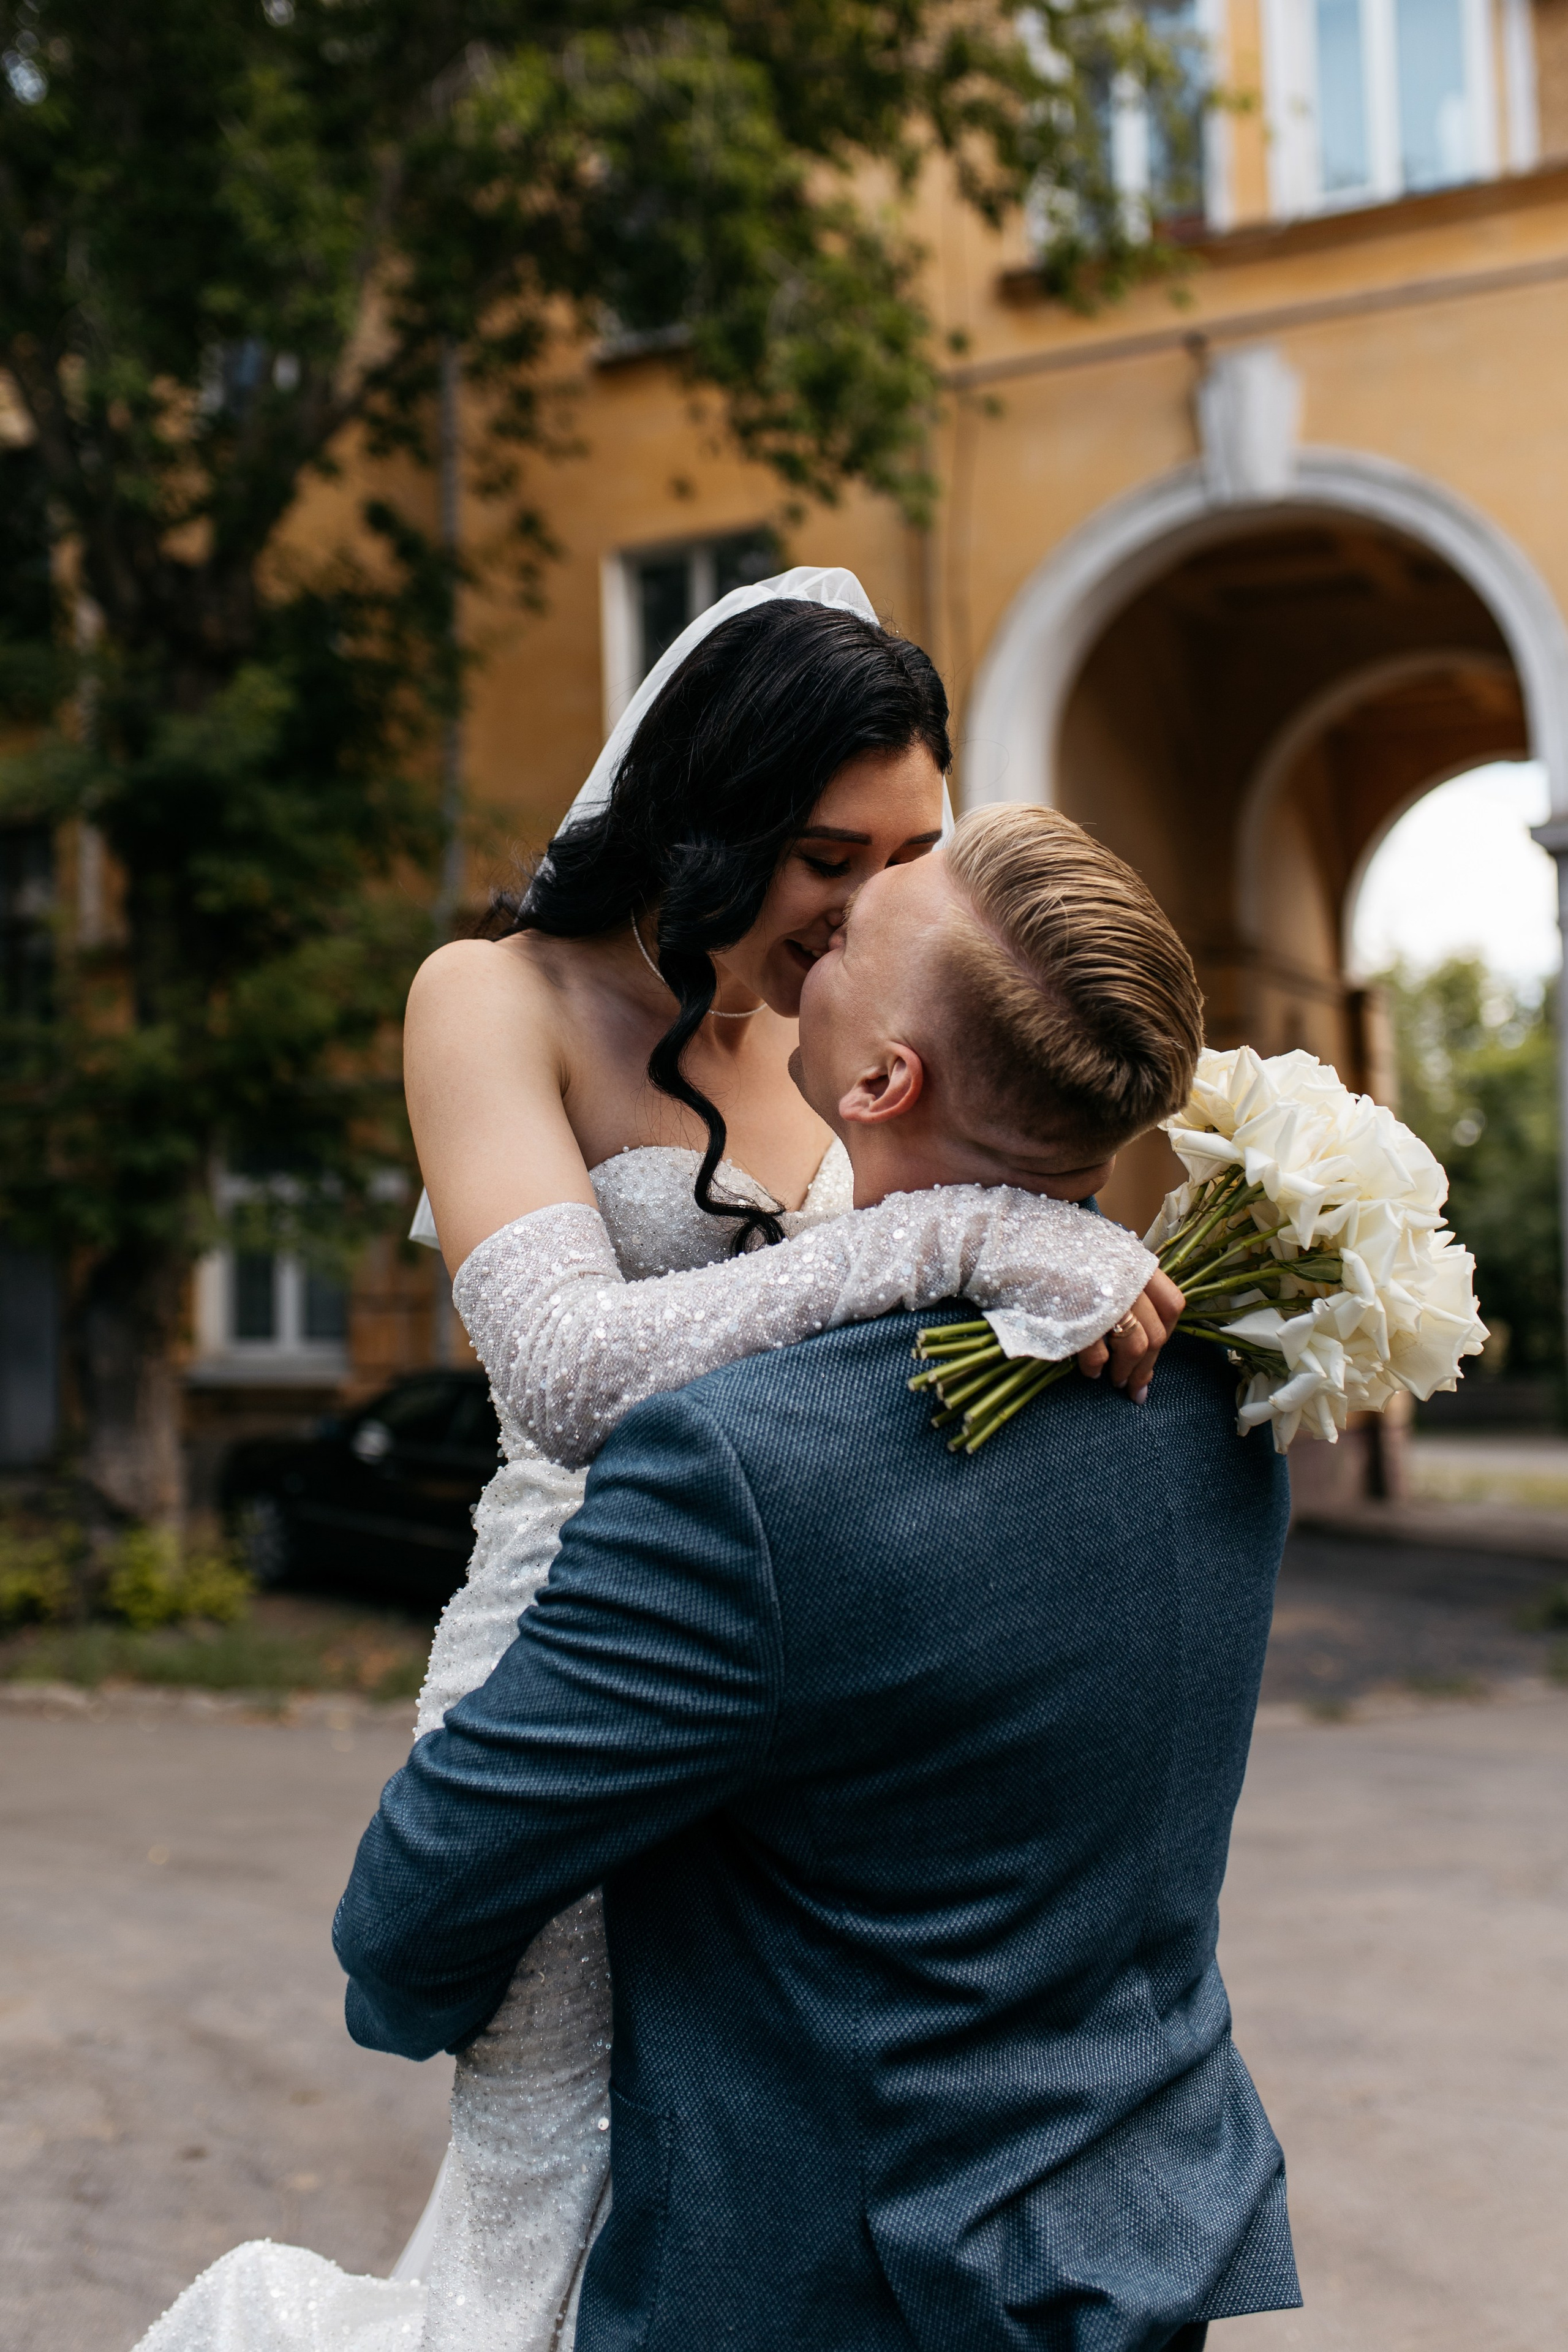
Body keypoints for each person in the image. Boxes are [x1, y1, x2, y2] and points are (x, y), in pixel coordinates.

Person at [133, 573, 1184, 2352]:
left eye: (909, 856)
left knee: (715, 2202)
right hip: (573, 1660)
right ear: (717, 817)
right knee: (550, 2218)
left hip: (795, 1712)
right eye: (833, 858)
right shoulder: (490, 999)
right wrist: (956, 1244)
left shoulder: (827, 1027)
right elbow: (565, 1374)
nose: (874, 909)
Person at [335, 800, 1301, 2352]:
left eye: (852, 933)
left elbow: (418, 1904)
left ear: (882, 1081)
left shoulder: (739, 1468)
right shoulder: (1217, 1410)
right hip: (1139, 2252)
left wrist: (419, 2011)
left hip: (827, 2288)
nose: (808, 938)